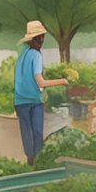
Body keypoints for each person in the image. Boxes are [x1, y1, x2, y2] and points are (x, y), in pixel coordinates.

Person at [14, 21, 68, 165]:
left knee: (27, 133)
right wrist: (61, 81)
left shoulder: (23, 55)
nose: (43, 40)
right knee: (37, 132)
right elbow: (41, 82)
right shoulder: (36, 55)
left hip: (20, 101)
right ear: (38, 38)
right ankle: (38, 162)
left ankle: (30, 161)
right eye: (42, 37)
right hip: (34, 101)